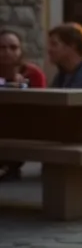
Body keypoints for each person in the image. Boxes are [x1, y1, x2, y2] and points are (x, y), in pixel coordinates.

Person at [0, 28, 46, 181]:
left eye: (13, 48)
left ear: (21, 50)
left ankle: (12, 166)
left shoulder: (32, 74)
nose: (7, 52)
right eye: (2, 48)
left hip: (25, 123)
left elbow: (42, 105)